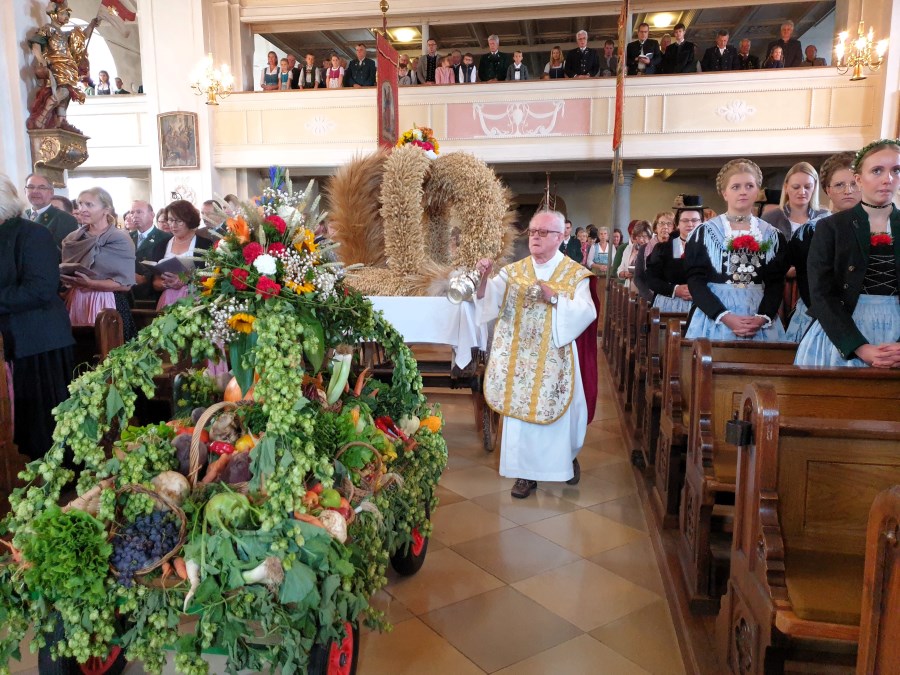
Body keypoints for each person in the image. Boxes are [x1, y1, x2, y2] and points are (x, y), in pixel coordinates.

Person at [474, 210, 597, 498]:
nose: (536, 238)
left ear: (560, 237)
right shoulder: (514, 271)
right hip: (518, 360)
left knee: (564, 413)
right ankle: (525, 475)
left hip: (557, 357)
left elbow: (587, 311)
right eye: (532, 232)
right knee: (519, 415)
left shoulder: (574, 273)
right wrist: (483, 278)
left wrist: (554, 297)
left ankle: (565, 458)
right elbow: (489, 299)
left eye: (543, 232)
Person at [795, 140, 900, 368]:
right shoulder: (832, 227)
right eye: (877, 170)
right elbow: (821, 294)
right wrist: (859, 347)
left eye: (896, 170)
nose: (888, 178)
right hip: (843, 334)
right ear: (859, 179)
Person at [0, 173, 74, 460]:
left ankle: (52, 478)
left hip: (38, 341)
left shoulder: (33, 235)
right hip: (10, 341)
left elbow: (40, 289)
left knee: (43, 426)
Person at [684, 159, 788, 341]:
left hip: (758, 317)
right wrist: (723, 315)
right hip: (715, 316)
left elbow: (775, 282)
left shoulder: (772, 235)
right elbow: (695, 281)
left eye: (749, 186)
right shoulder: (704, 233)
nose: (743, 191)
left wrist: (762, 317)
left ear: (757, 191)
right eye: (736, 187)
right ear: (724, 193)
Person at [785, 153, 858, 342]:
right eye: (840, 185)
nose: (848, 191)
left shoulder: (882, 226)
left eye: (854, 183)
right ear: (827, 190)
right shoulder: (809, 231)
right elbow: (806, 280)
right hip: (819, 315)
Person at [60, 187, 137, 340]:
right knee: (80, 354)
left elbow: (125, 284)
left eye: (89, 205)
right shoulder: (73, 238)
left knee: (109, 353)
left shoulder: (119, 238)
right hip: (77, 300)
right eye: (80, 204)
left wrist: (91, 283)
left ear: (106, 209)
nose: (82, 209)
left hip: (107, 302)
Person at [26, 1, 99, 132]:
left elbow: (83, 36)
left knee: (66, 96)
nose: (67, 16)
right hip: (56, 66)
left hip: (68, 67)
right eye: (63, 13)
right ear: (54, 15)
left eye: (67, 14)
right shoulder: (48, 29)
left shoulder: (65, 34)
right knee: (63, 91)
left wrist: (92, 24)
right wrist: (41, 60)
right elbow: (36, 45)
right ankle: (40, 118)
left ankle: (61, 121)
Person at [645, 196, 703, 313]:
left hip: (702, 304)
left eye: (695, 220)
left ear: (702, 222)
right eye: (685, 220)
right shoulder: (663, 249)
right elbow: (651, 279)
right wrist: (675, 289)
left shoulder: (711, 249)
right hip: (670, 304)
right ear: (677, 224)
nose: (690, 224)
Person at [152, 200, 212, 310]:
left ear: (189, 220)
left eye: (178, 221)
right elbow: (155, 282)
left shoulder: (205, 245)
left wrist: (185, 280)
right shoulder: (161, 246)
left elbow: (212, 278)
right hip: (167, 300)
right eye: (170, 220)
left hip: (196, 302)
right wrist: (167, 284)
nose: (173, 225)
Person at [767, 162, 830, 240]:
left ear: (814, 188)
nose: (802, 192)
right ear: (786, 187)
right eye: (796, 187)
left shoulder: (825, 217)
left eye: (807, 187)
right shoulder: (770, 218)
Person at [23, 173, 78, 253]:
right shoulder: (19, 216)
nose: (35, 191)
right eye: (31, 187)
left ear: (51, 192)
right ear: (25, 191)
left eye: (41, 188)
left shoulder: (65, 219)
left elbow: (66, 254)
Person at [131, 199, 171, 303]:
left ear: (152, 215)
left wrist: (145, 279)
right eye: (132, 212)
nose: (134, 215)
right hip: (129, 294)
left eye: (139, 212)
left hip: (152, 295)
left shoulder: (165, 238)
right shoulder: (127, 237)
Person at [616, 220, 652, 293]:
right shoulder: (629, 248)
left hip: (646, 288)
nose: (641, 240)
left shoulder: (653, 249)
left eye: (644, 236)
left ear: (649, 236)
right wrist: (624, 273)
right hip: (630, 287)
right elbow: (620, 267)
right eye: (639, 236)